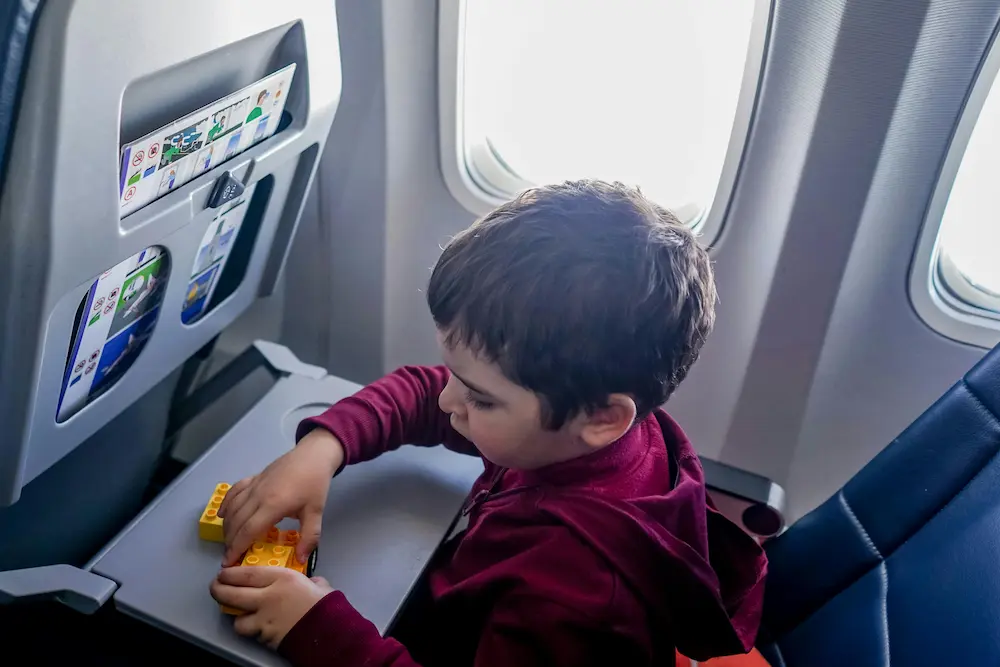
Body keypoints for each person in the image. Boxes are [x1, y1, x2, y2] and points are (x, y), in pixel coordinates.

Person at [210, 180, 768, 666]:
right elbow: (424, 392)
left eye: (479, 398)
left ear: (602, 418)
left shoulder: (573, 600)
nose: (447, 400)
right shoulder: (587, 435)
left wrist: (316, 630)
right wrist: (321, 450)